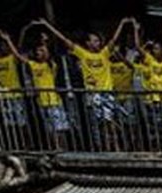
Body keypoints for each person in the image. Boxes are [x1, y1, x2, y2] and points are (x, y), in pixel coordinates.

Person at [37, 17, 130, 148]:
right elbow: (64, 40)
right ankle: (108, 148)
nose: (97, 43)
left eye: (98, 41)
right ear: (87, 43)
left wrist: (121, 23)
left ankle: (117, 145)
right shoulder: (83, 54)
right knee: (100, 125)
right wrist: (47, 25)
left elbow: (113, 40)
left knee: (110, 124)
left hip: (107, 93)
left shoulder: (104, 53)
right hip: (93, 95)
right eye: (94, 41)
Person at [0, 32, 68, 147]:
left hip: (54, 101)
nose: (39, 53)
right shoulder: (33, 65)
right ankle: (55, 148)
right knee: (50, 129)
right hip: (42, 102)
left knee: (59, 128)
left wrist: (44, 41)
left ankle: (63, 149)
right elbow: (19, 56)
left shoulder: (51, 65)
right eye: (38, 51)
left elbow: (47, 52)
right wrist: (8, 40)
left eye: (41, 51)